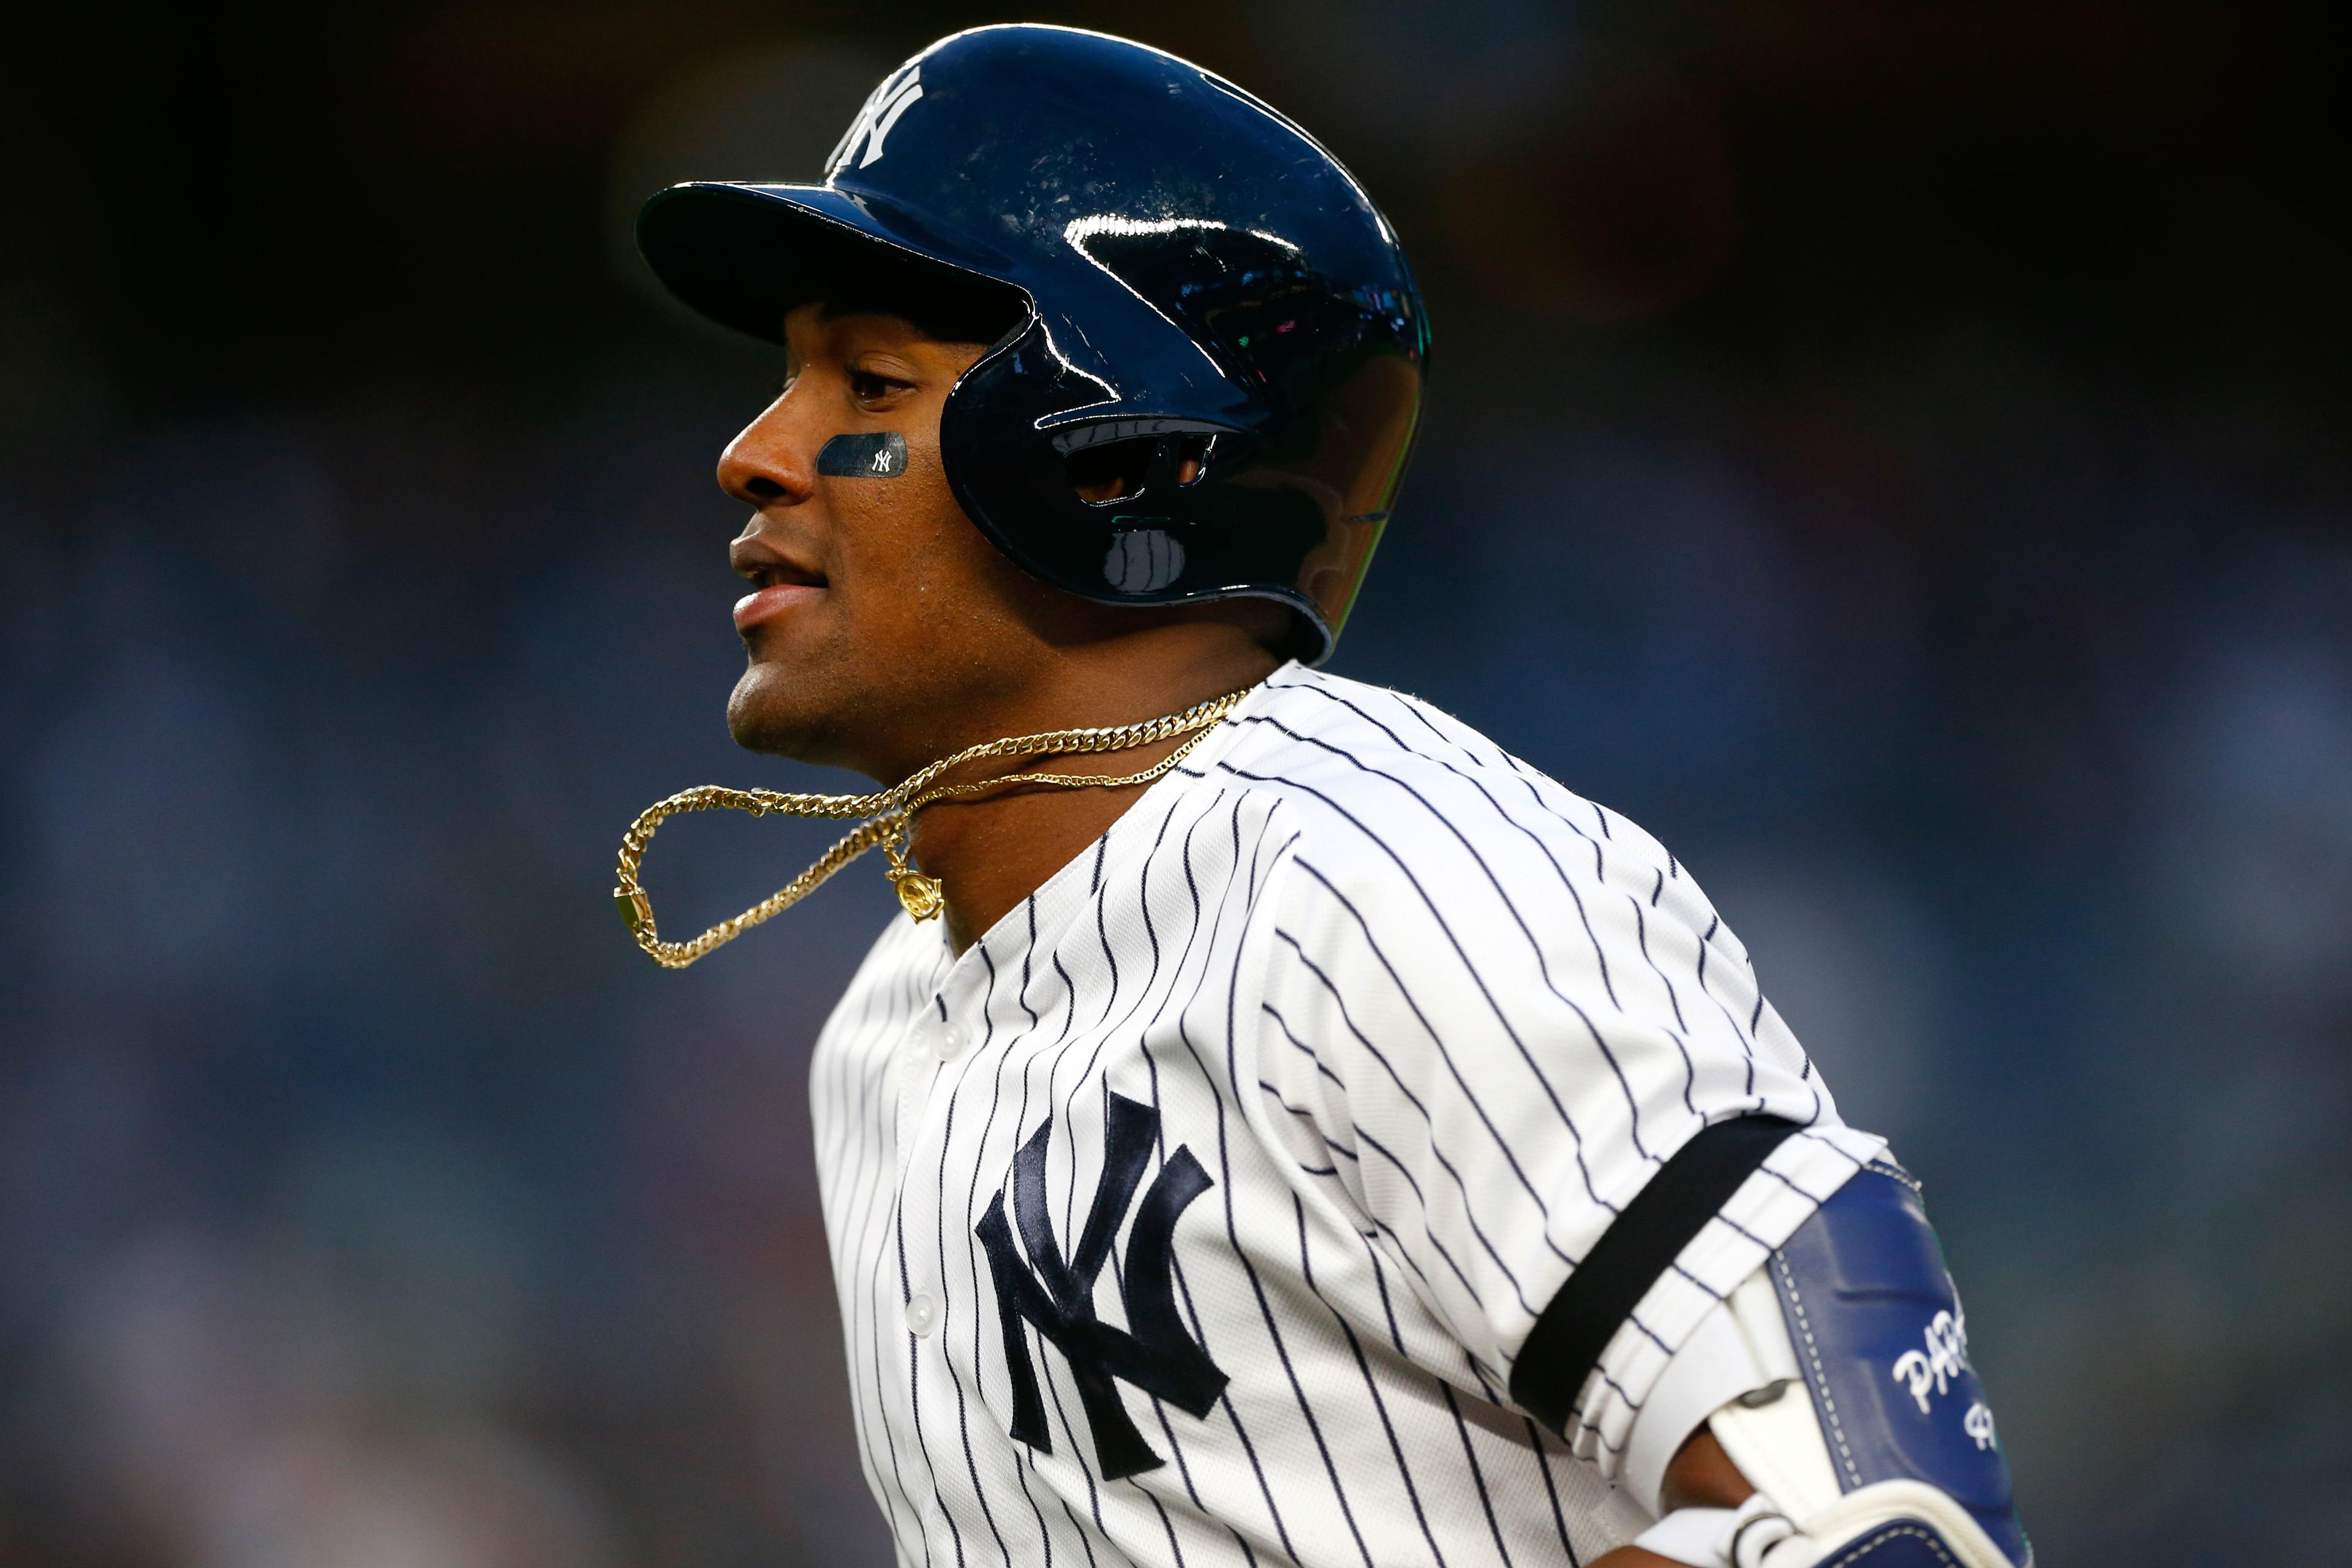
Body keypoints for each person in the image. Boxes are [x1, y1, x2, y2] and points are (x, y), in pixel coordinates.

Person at [628, 24, 2030, 1568]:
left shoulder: (1391, 880)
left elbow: (1888, 1517)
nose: (755, 454)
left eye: (869, 380)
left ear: (1105, 460)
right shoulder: (884, 1032)